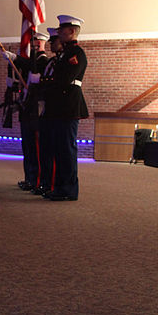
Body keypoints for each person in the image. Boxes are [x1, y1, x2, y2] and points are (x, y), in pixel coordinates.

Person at [43, 15, 88, 202]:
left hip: (68, 106)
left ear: (71, 32)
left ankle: (68, 189)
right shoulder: (64, 54)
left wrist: (45, 84)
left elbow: (64, 80)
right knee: (60, 149)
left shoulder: (76, 53)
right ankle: (61, 187)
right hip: (60, 107)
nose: (59, 32)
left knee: (67, 149)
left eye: (62, 30)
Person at [4, 31, 50, 192]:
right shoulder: (32, 63)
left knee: (35, 148)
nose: (33, 45)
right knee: (28, 147)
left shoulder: (43, 62)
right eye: (32, 42)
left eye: (36, 42)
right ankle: (29, 178)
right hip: (27, 110)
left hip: (36, 111)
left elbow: (41, 85)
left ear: (42, 43)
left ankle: (36, 180)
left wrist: (16, 58)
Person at [34, 27, 61, 196]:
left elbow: (55, 83)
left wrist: (41, 81)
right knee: (44, 150)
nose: (52, 44)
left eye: (54, 41)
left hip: (55, 109)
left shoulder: (59, 62)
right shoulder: (52, 62)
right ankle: (44, 182)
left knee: (54, 151)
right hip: (46, 109)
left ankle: (52, 184)